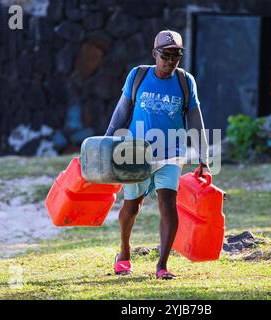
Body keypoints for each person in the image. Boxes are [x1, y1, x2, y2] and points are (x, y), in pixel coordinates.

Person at [105, 30, 210, 280]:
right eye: (165, 55)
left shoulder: (185, 81)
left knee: (168, 204)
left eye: (176, 55)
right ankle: (124, 253)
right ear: (155, 53)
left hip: (171, 153)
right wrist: (107, 142)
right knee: (132, 205)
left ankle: (161, 265)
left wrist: (204, 157)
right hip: (136, 151)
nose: (170, 60)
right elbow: (122, 111)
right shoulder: (138, 75)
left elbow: (195, 120)